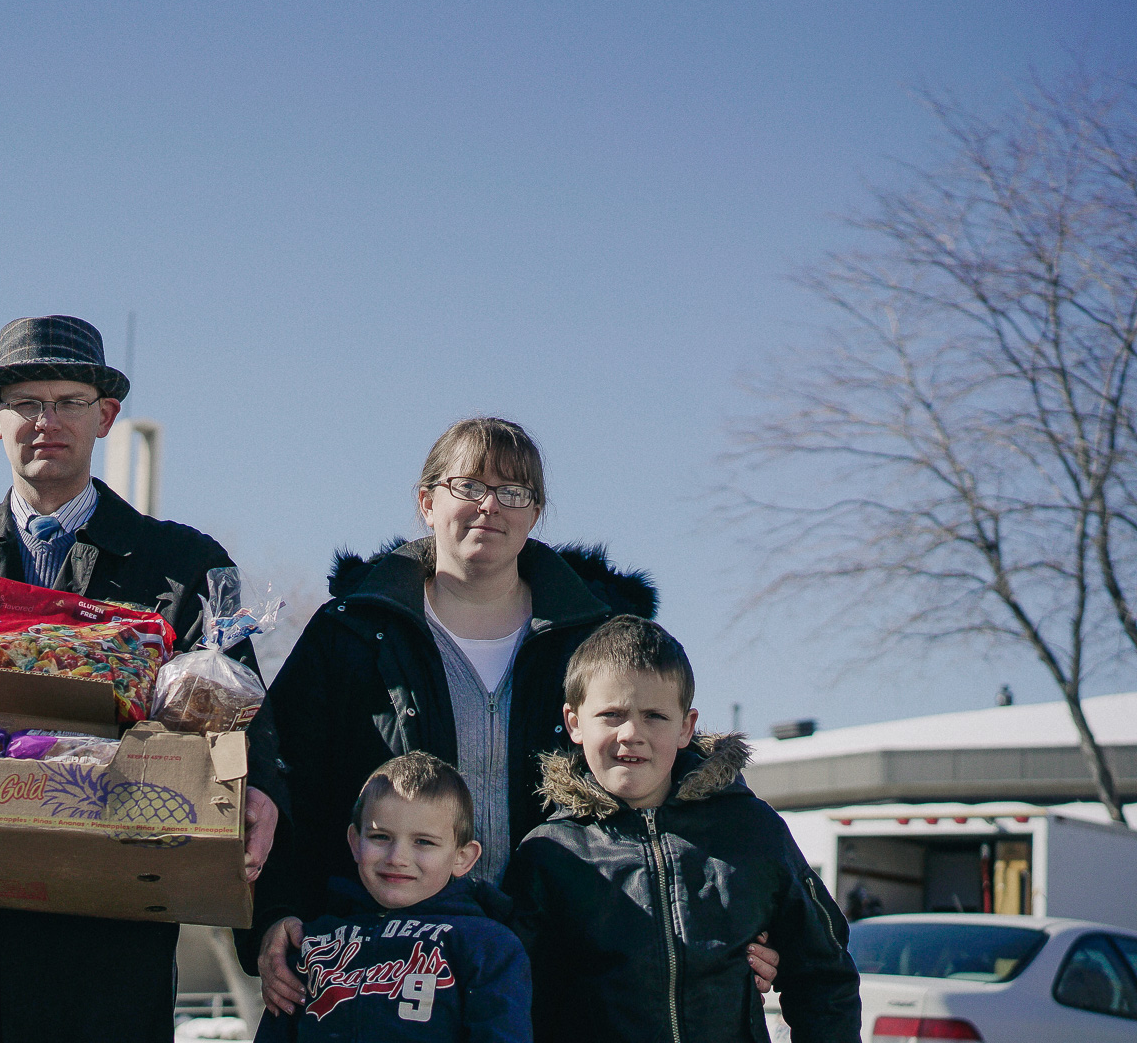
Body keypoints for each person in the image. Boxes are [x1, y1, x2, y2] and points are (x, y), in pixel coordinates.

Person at [0, 314, 285, 1043]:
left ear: (105, 417)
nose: (46, 421)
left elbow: (246, 725)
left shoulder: (182, 567)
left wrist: (264, 791)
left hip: (95, 945)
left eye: (68, 402)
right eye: (26, 404)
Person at [252, 417, 780, 1013]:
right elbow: (280, 780)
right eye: (468, 486)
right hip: (389, 964)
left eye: (513, 492)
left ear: (535, 514)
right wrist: (275, 910)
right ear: (427, 502)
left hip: (572, 957)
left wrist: (742, 919)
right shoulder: (352, 633)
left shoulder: (599, 638)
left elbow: (677, 777)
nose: (490, 506)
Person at [502, 616, 861, 1042]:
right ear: (575, 722)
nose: (631, 733)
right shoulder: (549, 854)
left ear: (686, 727)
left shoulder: (751, 832)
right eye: (611, 715)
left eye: (654, 716)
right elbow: (511, 999)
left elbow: (823, 977)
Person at [254, 752, 530, 1043]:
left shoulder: (487, 945)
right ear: (354, 842)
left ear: (463, 857)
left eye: (423, 842)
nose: (397, 858)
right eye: (380, 837)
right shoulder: (315, 942)